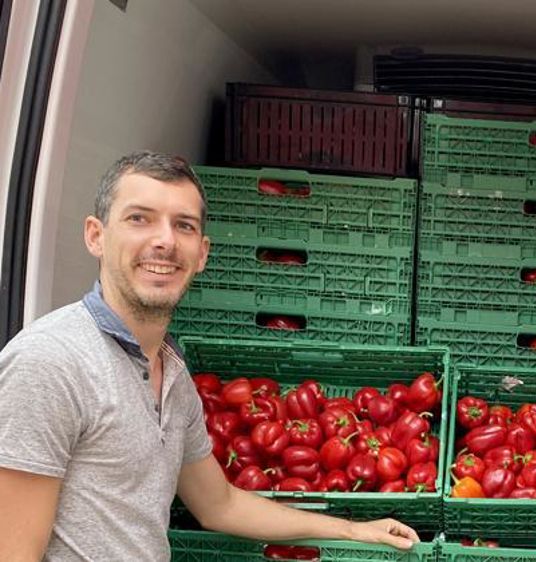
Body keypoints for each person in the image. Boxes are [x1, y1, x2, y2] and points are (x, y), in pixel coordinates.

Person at [0, 151, 419, 561]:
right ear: (96, 235)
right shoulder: (51, 362)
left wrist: (352, 530)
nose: (164, 240)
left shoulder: (173, 372)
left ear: (201, 253)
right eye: (139, 218)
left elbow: (218, 504)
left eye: (182, 225)